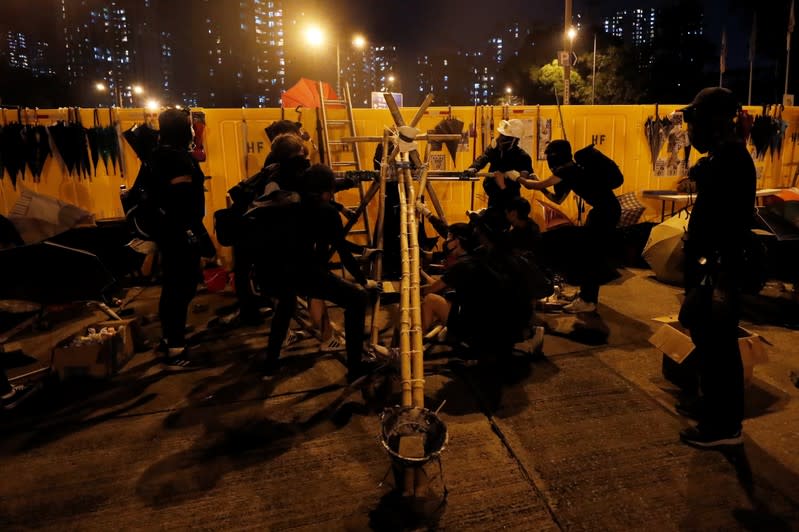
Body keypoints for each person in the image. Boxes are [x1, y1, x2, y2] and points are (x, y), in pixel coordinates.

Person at [676, 87, 755, 448]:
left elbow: (726, 216)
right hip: (711, 266)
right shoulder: (724, 154)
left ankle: (724, 426)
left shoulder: (731, 158)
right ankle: (714, 407)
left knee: (718, 346)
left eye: (695, 120)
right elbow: (699, 170)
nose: (691, 130)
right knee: (703, 334)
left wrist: (719, 274)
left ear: (715, 123)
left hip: (720, 268)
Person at [260, 164, 378, 382]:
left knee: (286, 306)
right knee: (357, 299)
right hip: (304, 272)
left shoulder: (291, 202)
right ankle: (355, 367)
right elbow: (342, 251)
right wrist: (364, 281)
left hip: (275, 271)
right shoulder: (326, 211)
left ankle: (270, 363)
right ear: (327, 190)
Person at [516, 139, 621, 313]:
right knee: (589, 254)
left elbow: (534, 185)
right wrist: (539, 185)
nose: (548, 158)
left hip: (606, 213)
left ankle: (588, 301)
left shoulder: (568, 169)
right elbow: (557, 199)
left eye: (550, 154)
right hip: (602, 211)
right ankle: (585, 296)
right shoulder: (570, 170)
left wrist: (517, 177)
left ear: (557, 155)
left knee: (592, 256)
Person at [150, 108, 211, 365]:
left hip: (167, 231)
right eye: (188, 125)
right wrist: (195, 233)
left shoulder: (157, 155)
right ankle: (175, 346)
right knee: (181, 288)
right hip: (181, 232)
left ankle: (169, 338)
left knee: (172, 287)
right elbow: (181, 200)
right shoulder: (177, 160)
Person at [464, 119, 535, 215]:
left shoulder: (522, 157)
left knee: (507, 220)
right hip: (494, 195)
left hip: (510, 196)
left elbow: (527, 178)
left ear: (515, 140)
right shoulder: (495, 149)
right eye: (501, 135)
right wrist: (473, 168)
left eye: (505, 137)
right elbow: (484, 157)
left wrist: (519, 176)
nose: (501, 139)